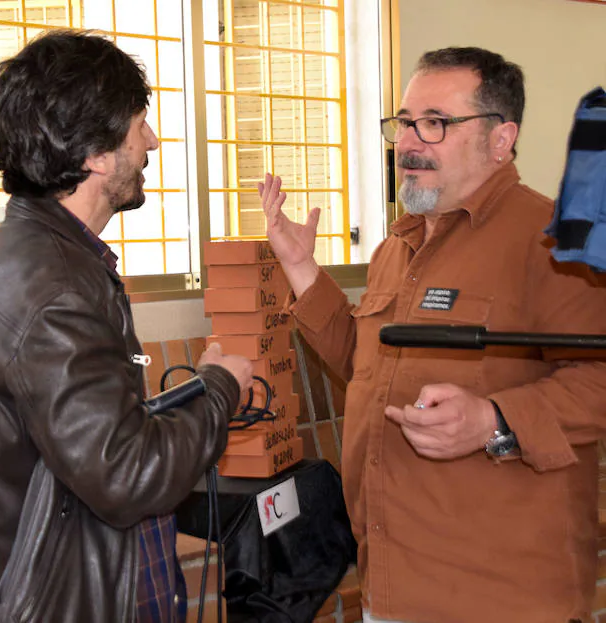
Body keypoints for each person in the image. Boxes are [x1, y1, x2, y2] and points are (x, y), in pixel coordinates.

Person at [258, 47, 606, 622]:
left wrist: (494, 419)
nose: (409, 142)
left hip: (500, 596)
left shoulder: (554, 243)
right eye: (404, 122)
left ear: (500, 139)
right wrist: (301, 268)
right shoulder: (398, 247)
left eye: (436, 123)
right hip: (392, 581)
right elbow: (365, 365)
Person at [0, 30, 253, 623]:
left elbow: (89, 442)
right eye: (140, 125)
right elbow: (129, 474)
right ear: (97, 152)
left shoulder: (35, 254)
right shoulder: (52, 284)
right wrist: (218, 388)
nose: (152, 142)